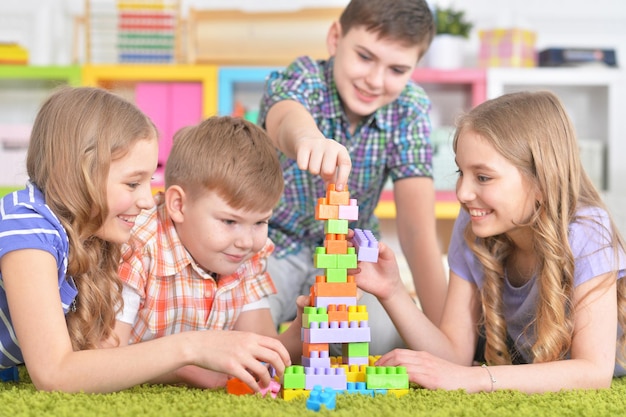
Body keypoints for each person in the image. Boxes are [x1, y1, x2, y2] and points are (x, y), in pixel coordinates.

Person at [0, 87, 290, 394]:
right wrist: (193, 347)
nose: (148, 201)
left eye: (149, 181)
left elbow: (95, 360)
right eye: (133, 183)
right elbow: (55, 373)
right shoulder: (28, 225)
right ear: (77, 172)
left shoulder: (94, 236)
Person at [355, 90, 626, 393]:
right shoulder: (473, 225)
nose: (462, 193)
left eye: (483, 177)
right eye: (461, 172)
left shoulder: (588, 231)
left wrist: (474, 378)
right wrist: (392, 291)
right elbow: (454, 353)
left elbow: (593, 372)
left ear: (541, 182)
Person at [258, 0, 447, 354]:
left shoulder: (409, 109)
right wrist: (307, 138)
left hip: (351, 261)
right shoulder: (305, 77)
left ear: (414, 68)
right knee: (244, 333)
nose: (375, 81)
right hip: (271, 248)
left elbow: (418, 229)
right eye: (364, 57)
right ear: (336, 38)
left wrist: (444, 338)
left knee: (382, 341)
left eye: (397, 69)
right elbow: (284, 117)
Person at [114, 116, 302, 388]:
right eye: (229, 221)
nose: (246, 241)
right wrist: (182, 369)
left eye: (260, 222)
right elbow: (104, 357)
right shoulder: (138, 246)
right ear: (178, 205)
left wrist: (304, 328)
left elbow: (264, 352)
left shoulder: (246, 254)